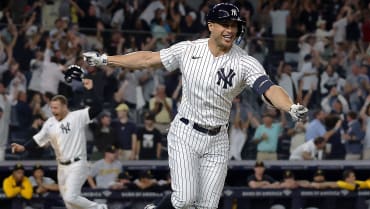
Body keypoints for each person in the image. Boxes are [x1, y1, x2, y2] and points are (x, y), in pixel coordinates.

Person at [82, 3, 308, 209]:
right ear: (211, 25)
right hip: (185, 132)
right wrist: (105, 60)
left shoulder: (245, 62)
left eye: (235, 25)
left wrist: (289, 106)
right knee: (185, 199)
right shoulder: (188, 49)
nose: (230, 30)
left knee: (206, 207)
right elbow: (146, 59)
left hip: (218, 140)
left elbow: (268, 88)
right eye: (225, 24)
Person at [10, 65, 108, 209]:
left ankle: (100, 208)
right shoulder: (50, 123)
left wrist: (90, 90)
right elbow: (38, 139)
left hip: (78, 164)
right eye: (51, 107)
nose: (53, 110)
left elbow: (98, 109)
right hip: (62, 167)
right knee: (70, 203)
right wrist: (23, 146)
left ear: (64, 107)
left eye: (56, 107)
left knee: (70, 196)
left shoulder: (76, 116)